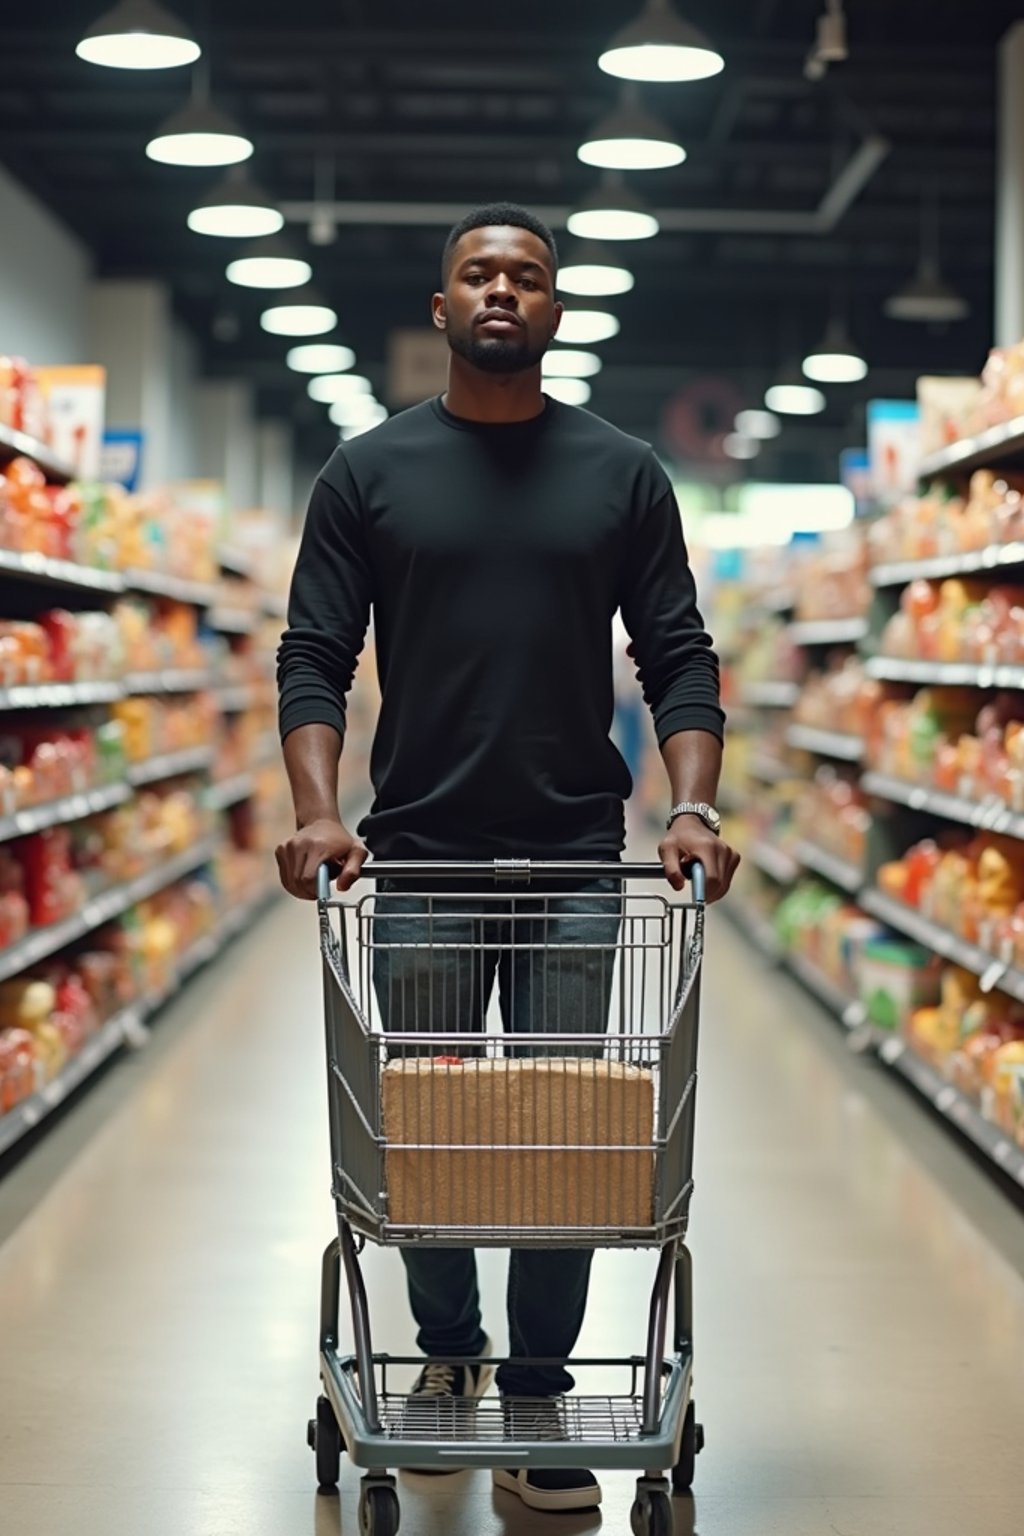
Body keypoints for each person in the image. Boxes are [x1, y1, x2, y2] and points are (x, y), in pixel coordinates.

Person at [275, 202, 740, 1514]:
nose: (500, 289)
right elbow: (313, 657)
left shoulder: (621, 474)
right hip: (415, 855)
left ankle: (536, 1392)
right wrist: (320, 809)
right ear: (440, 310)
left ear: (554, 310)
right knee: (416, 1132)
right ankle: (448, 1351)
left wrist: (690, 809)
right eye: (477, 272)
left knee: (553, 1140)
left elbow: (680, 657)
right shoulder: (366, 474)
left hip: (577, 862)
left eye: (527, 275)